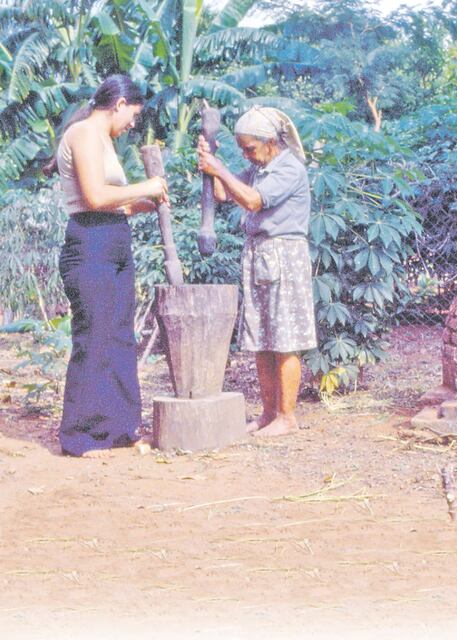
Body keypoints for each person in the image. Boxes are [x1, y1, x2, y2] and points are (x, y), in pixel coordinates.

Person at [49, 74, 169, 457]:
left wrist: (141, 204)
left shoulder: (105, 140)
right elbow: (95, 196)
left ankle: (119, 429)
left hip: (114, 240)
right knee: (94, 338)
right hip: (89, 245)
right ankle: (80, 437)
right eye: (132, 115)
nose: (132, 124)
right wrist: (146, 187)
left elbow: (113, 202)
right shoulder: (83, 133)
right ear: (118, 104)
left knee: (119, 337)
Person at [197, 106, 317, 437]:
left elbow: (252, 201)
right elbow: (225, 194)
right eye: (242, 149)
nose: (246, 155)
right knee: (262, 338)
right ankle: (268, 413)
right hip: (260, 255)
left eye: (249, 148)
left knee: (284, 338)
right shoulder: (260, 167)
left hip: (284, 256)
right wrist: (213, 165)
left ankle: (287, 417)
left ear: (269, 142)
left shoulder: (288, 169)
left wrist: (219, 166)